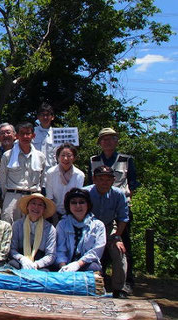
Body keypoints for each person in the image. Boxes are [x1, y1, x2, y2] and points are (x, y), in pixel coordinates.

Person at [88, 127, 138, 289]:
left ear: (116, 141)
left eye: (111, 139)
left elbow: (133, 184)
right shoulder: (93, 160)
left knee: (123, 244)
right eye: (104, 139)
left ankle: (127, 281)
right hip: (98, 208)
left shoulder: (126, 159)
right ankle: (100, 277)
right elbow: (91, 183)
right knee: (97, 243)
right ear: (100, 143)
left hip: (120, 206)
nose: (108, 142)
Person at [84, 166, 129, 299]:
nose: (104, 182)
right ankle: (88, 284)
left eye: (108, 179)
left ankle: (118, 288)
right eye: (101, 179)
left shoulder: (119, 194)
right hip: (88, 229)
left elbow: (123, 218)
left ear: (113, 180)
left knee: (119, 252)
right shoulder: (85, 192)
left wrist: (117, 237)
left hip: (109, 228)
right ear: (94, 179)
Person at [0, 122, 46, 224]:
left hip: (32, 196)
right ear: (16, 136)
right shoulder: (8, 156)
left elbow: (42, 180)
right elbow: (2, 179)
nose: (25, 136)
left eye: (28, 133)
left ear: (33, 135)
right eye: (22, 133)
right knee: (7, 226)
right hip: (12, 196)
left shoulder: (40, 157)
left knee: (32, 228)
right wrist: (6, 195)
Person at [55, 188, 106, 272]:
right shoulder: (62, 224)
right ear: (68, 205)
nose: (78, 206)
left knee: (92, 268)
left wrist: (78, 264)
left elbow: (96, 251)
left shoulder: (98, 225)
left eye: (82, 202)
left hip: (86, 264)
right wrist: (63, 267)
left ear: (88, 204)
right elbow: (60, 250)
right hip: (66, 265)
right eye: (73, 202)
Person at [8, 193, 56, 271]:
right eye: (33, 203)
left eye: (40, 205)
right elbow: (12, 249)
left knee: (45, 273)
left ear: (44, 210)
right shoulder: (17, 225)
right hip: (21, 259)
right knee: (12, 265)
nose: (36, 207)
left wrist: (36, 264)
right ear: (27, 206)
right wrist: (22, 259)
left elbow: (51, 255)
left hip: (40, 262)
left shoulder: (50, 229)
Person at [44, 143, 85, 223]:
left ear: (74, 158)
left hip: (72, 213)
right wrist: (54, 216)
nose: (66, 159)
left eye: (69, 155)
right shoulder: (51, 173)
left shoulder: (79, 175)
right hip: (53, 212)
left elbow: (77, 197)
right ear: (58, 157)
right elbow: (49, 197)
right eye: (62, 155)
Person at [32, 103, 56, 170]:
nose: (45, 117)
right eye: (42, 115)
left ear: (52, 117)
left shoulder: (57, 134)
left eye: (48, 115)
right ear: (38, 117)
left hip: (52, 170)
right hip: (34, 169)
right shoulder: (31, 132)